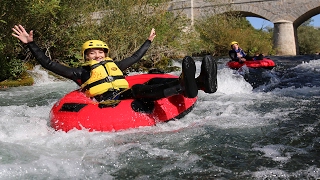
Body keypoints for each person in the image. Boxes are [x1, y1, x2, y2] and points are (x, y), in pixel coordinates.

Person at [12, 24, 217, 103]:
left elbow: (135, 58)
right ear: (86, 57)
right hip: (111, 101)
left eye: (101, 52)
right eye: (93, 53)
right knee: (138, 90)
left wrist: (148, 41)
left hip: (125, 93)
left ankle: (199, 82)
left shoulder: (115, 65)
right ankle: (183, 86)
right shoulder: (79, 73)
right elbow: (48, 64)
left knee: (147, 84)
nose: (98, 55)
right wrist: (32, 45)